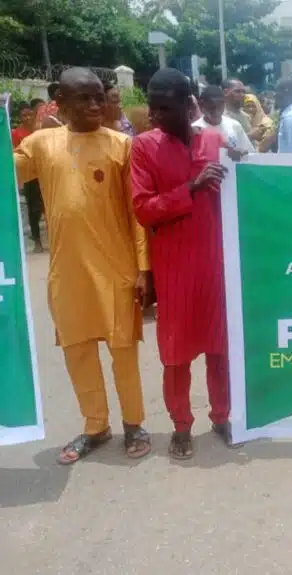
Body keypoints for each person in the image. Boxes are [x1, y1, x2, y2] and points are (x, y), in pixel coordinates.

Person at [14, 67, 151, 464]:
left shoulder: (122, 145)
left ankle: (134, 423)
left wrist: (144, 268)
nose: (94, 105)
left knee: (123, 352)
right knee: (78, 353)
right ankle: (95, 426)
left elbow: (136, 213)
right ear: (61, 100)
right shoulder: (41, 143)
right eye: (83, 98)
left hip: (116, 270)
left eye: (98, 96)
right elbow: (9, 175)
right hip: (67, 273)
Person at [131, 67, 232, 459]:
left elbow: (239, 196)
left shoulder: (215, 141)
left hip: (216, 267)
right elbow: (143, 209)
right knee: (176, 354)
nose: (154, 117)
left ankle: (222, 417)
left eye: (164, 109)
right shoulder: (144, 147)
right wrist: (189, 187)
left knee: (219, 348)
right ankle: (181, 425)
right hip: (174, 268)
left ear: (189, 106)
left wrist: (243, 166)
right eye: (152, 109)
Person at [12, 101, 45, 253]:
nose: (27, 117)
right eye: (24, 115)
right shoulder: (16, 134)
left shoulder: (40, 131)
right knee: (34, 209)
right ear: (20, 117)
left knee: (47, 205)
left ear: (34, 114)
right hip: (30, 177)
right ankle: (37, 240)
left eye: (29, 114)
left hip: (45, 173)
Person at [193, 85, 255, 154]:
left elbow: (249, 152)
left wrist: (243, 152)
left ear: (223, 105)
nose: (216, 111)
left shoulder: (234, 125)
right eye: (211, 107)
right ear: (202, 106)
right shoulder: (194, 129)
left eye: (219, 106)